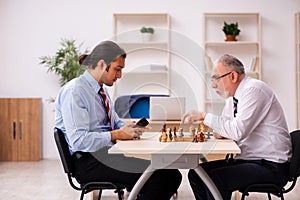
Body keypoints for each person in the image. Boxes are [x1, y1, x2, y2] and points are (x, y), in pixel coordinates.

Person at [55, 40, 182, 200]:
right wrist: (117, 134)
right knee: (163, 178)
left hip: (106, 154)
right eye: (118, 69)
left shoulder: (101, 91)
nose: (120, 75)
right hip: (88, 162)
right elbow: (79, 141)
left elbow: (114, 124)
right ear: (102, 64)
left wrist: (129, 128)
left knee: (169, 174)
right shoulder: (75, 92)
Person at [182, 54, 292, 200]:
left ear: (233, 76)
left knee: (214, 179)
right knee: (196, 174)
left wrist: (203, 116)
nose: (214, 85)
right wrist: (223, 130)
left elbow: (236, 131)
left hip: (271, 166)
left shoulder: (254, 90)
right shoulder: (233, 99)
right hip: (251, 160)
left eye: (216, 78)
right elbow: (225, 128)